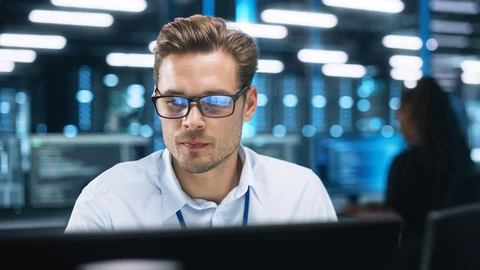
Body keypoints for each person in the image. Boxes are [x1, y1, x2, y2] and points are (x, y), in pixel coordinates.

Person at [65, 14, 337, 233]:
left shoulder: (300, 196)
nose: (191, 122)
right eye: (174, 100)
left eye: (215, 101)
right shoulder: (107, 203)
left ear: (249, 104)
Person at [343, 77, 475, 270]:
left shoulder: (407, 163)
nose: (397, 117)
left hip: (415, 259)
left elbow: (399, 219)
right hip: (456, 258)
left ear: (412, 115)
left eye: (400, 110)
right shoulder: (461, 159)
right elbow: (428, 207)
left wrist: (356, 213)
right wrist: (380, 207)